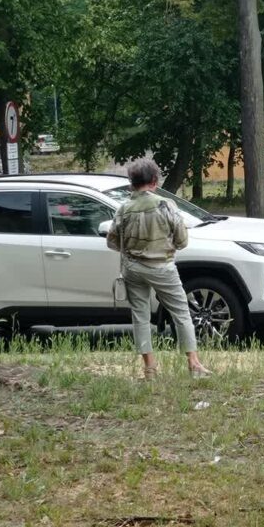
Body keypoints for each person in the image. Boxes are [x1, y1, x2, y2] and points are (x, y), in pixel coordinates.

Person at [107, 159, 211, 379]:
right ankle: (194, 364)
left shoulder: (124, 209)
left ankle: (150, 368)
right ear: (154, 181)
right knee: (181, 312)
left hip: (132, 268)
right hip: (162, 267)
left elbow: (112, 241)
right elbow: (182, 240)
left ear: (132, 183)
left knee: (140, 316)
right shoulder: (165, 205)